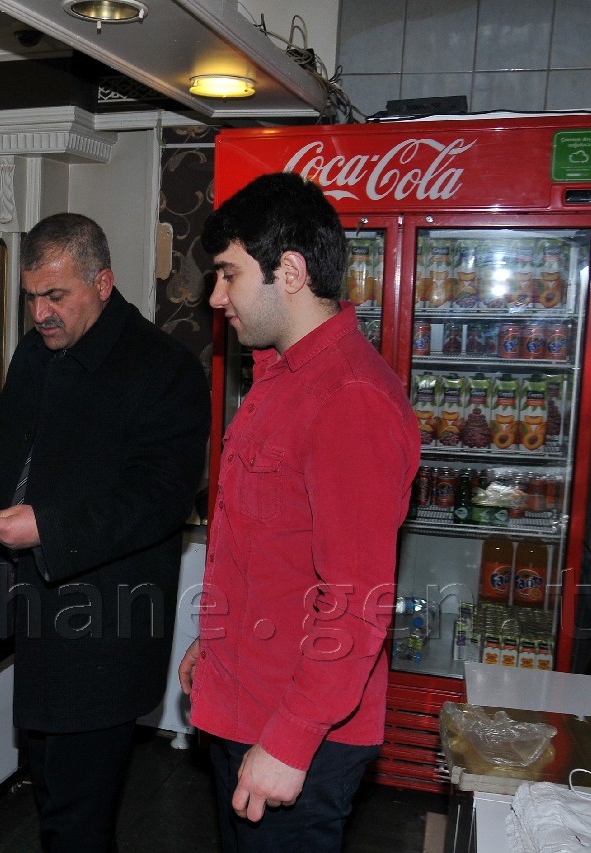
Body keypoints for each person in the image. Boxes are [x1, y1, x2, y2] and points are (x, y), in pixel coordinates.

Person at [0, 212, 209, 853]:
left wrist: (48, 526)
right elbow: (1, 447)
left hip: (107, 624)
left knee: (77, 820)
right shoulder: (38, 353)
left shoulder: (165, 368)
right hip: (33, 611)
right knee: (50, 792)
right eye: (32, 297)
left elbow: (159, 497)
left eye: (56, 296)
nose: (41, 313)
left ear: (102, 282)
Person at [177, 172, 419, 852]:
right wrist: (219, 640)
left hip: (295, 731)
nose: (216, 297)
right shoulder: (278, 375)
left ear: (288, 270)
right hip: (246, 699)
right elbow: (273, 548)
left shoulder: (348, 399)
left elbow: (356, 598)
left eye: (227, 275)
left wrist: (290, 739)